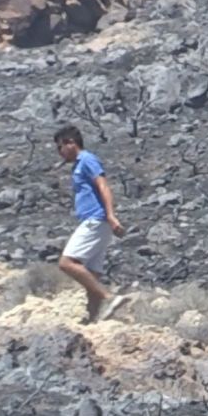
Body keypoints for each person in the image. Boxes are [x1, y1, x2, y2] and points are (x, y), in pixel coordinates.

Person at [54, 124, 128, 323]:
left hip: (95, 220)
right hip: (97, 222)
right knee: (91, 276)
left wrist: (111, 216)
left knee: (67, 263)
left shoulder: (87, 160)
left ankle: (110, 297)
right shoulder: (79, 165)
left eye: (60, 147)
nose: (60, 153)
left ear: (70, 143)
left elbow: (103, 185)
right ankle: (93, 319)